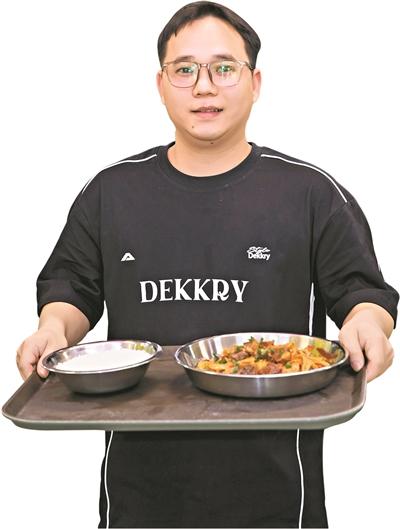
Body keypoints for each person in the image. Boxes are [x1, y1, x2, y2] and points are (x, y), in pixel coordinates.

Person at [16, 1, 398, 528]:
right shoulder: (111, 192)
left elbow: (363, 294)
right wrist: (52, 328)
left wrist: (368, 325)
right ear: (160, 84)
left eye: (223, 68)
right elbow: (72, 287)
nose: (203, 87)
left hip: (277, 497)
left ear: (255, 82)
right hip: (137, 497)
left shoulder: (310, 193)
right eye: (184, 69)